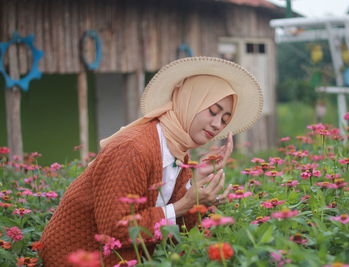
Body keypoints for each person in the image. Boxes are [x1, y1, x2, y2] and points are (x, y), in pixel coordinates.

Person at [39, 56, 263, 266]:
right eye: (213, 111)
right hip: (74, 258)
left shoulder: (178, 152)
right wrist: (184, 204)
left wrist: (200, 188)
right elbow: (115, 229)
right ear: (189, 102)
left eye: (225, 119)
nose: (217, 125)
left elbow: (179, 233)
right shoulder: (133, 149)